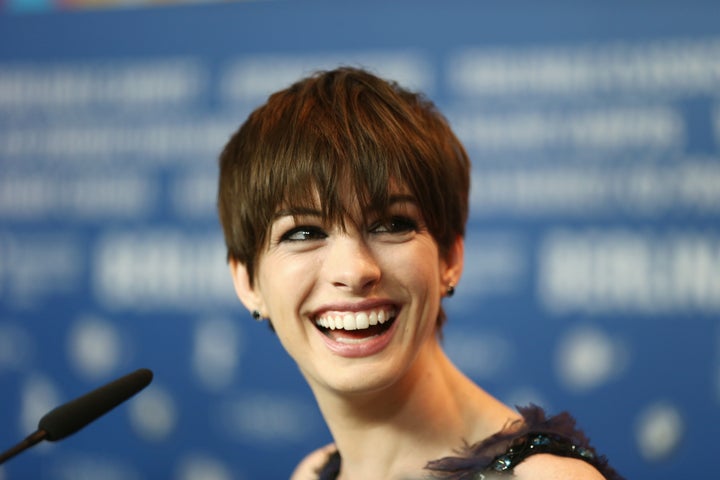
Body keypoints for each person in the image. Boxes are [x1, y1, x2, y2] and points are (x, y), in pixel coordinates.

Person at [217, 67, 624, 480]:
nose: (355, 271)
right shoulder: (315, 472)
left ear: (450, 258)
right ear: (248, 282)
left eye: (393, 224)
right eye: (304, 232)